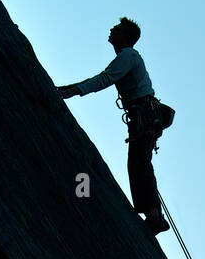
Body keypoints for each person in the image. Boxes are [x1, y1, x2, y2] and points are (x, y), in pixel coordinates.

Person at [57, 17, 169, 235]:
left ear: (125, 36)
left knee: (139, 162)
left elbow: (105, 79)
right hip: (144, 117)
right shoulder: (129, 56)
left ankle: (154, 215)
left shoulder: (128, 55)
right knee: (138, 162)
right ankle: (153, 214)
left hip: (143, 117)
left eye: (116, 29)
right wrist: (72, 88)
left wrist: (73, 91)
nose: (111, 29)